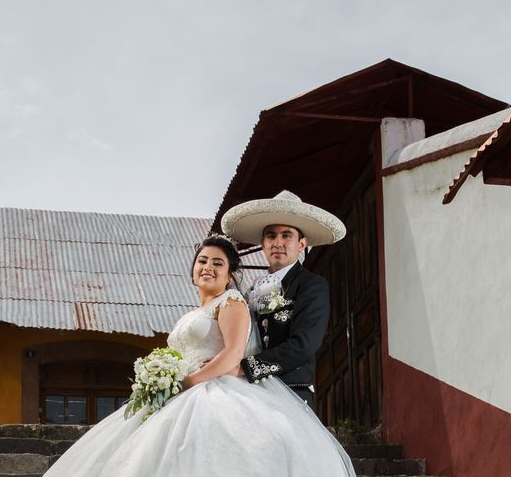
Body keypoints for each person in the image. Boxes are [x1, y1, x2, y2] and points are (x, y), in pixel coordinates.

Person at [43, 234, 355, 477]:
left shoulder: (248, 298)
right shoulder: (229, 300)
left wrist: (202, 378)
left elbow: (256, 349)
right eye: (202, 261)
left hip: (241, 388)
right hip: (189, 389)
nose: (208, 267)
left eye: (218, 263)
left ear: (230, 274)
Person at [221, 190, 346, 408]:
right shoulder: (251, 290)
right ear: (262, 242)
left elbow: (303, 345)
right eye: (271, 235)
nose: (277, 242)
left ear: (302, 244)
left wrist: (244, 368)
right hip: (247, 394)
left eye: (286, 235)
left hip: (290, 394)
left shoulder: (312, 286)